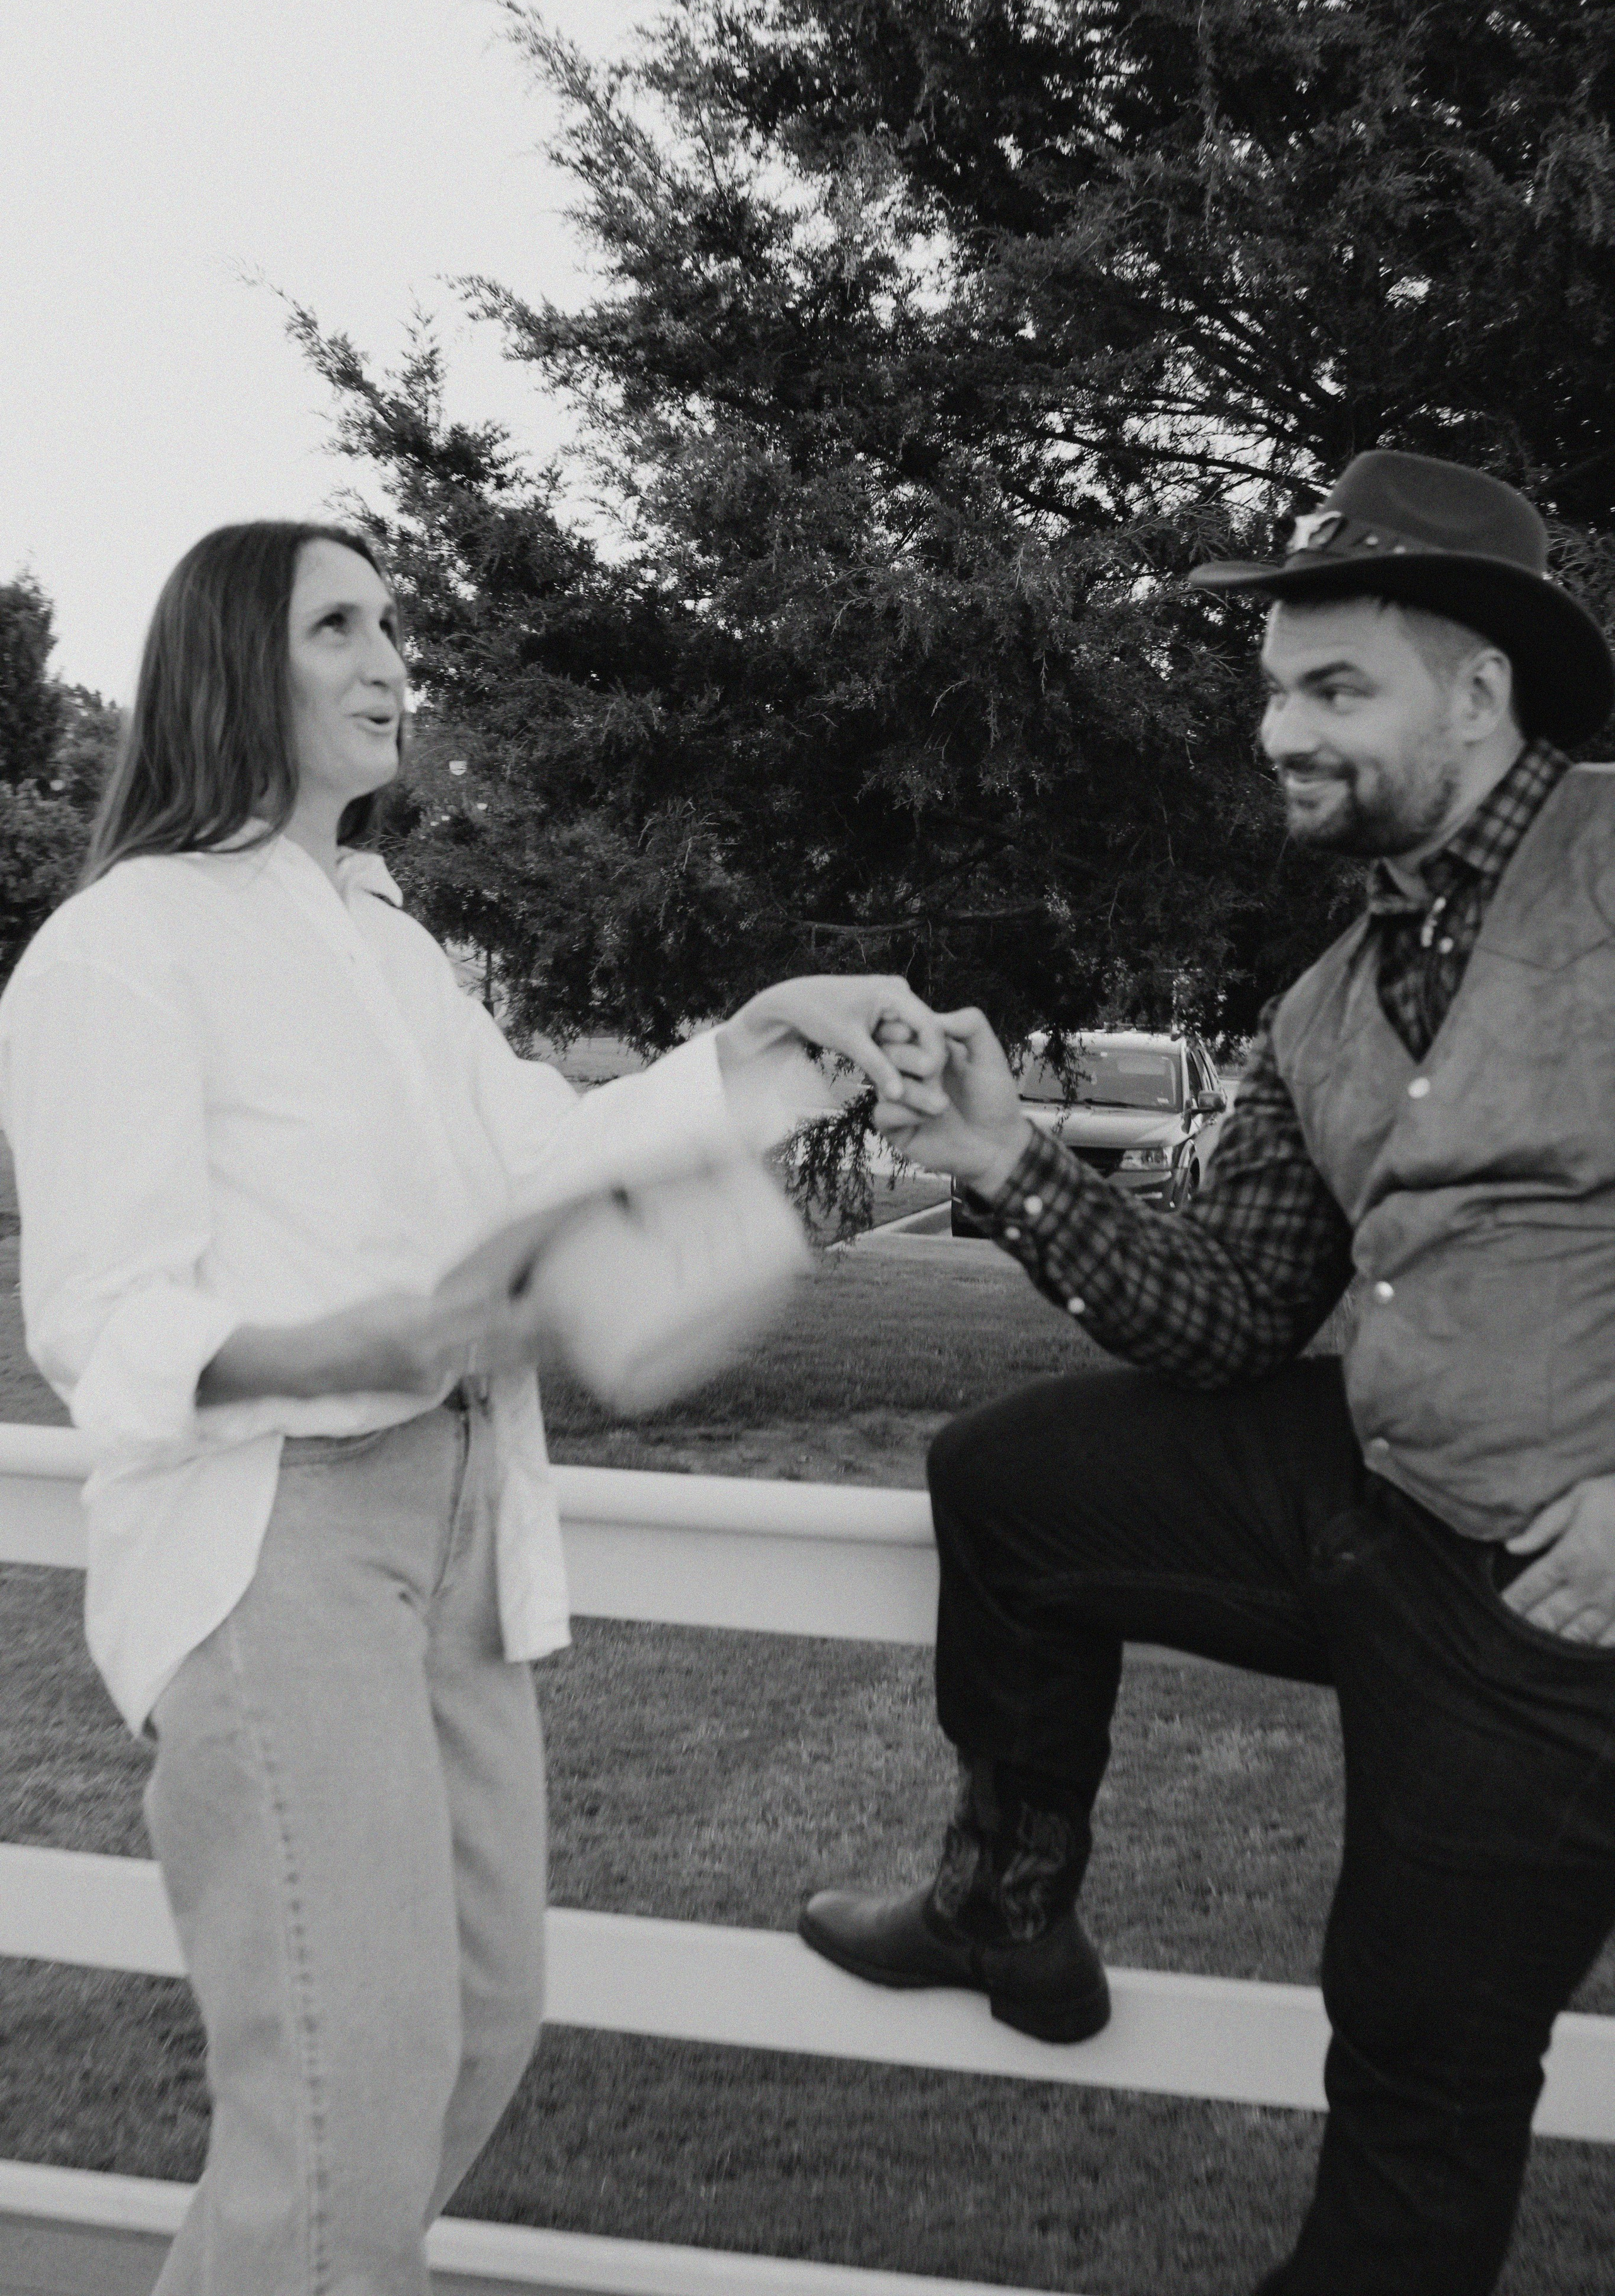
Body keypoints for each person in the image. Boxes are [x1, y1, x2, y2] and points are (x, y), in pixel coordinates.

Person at [0, 519, 946, 2296]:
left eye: (396, 624)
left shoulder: (386, 940)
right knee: (347, 2105)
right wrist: (343, 1346)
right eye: (338, 625)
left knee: (480, 2025)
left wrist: (770, 1037)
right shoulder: (119, 947)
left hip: (460, 1530)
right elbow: (102, 1318)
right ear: (229, 665)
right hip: (277, 1539)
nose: (391, 660)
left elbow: (538, 1152)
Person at [799, 452, 1615, 2296]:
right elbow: (1232, 1313)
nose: (1282, 730)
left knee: (1416, 2058)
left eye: (1337, 689)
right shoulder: (1334, 1001)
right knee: (1014, 1483)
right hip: (1379, 1500)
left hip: (1558, 1616)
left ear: (1478, 694)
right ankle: (1006, 1903)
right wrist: (1012, 1162)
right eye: (1273, 689)